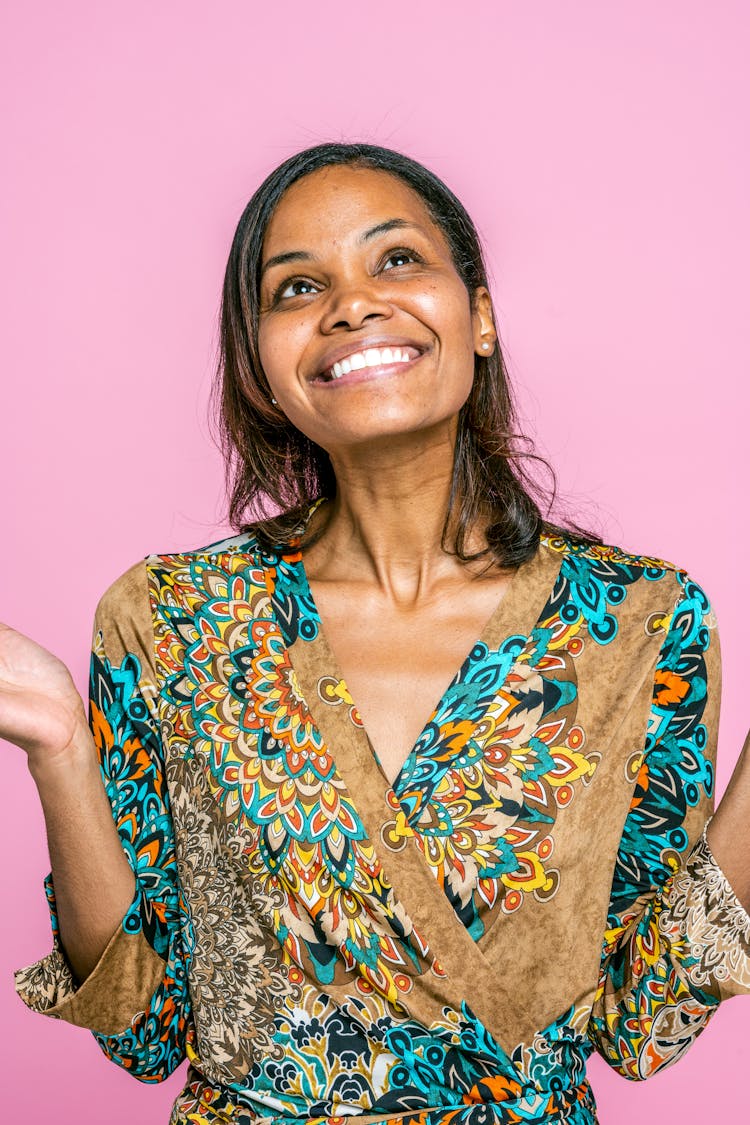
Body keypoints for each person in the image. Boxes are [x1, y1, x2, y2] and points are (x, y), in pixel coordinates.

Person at [2, 142, 749, 1125]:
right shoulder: (171, 622)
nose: (351, 303)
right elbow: (142, 1029)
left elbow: (644, 1024)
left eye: (395, 260)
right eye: (297, 286)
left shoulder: (638, 622)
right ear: (263, 372)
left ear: (479, 316)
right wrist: (58, 747)